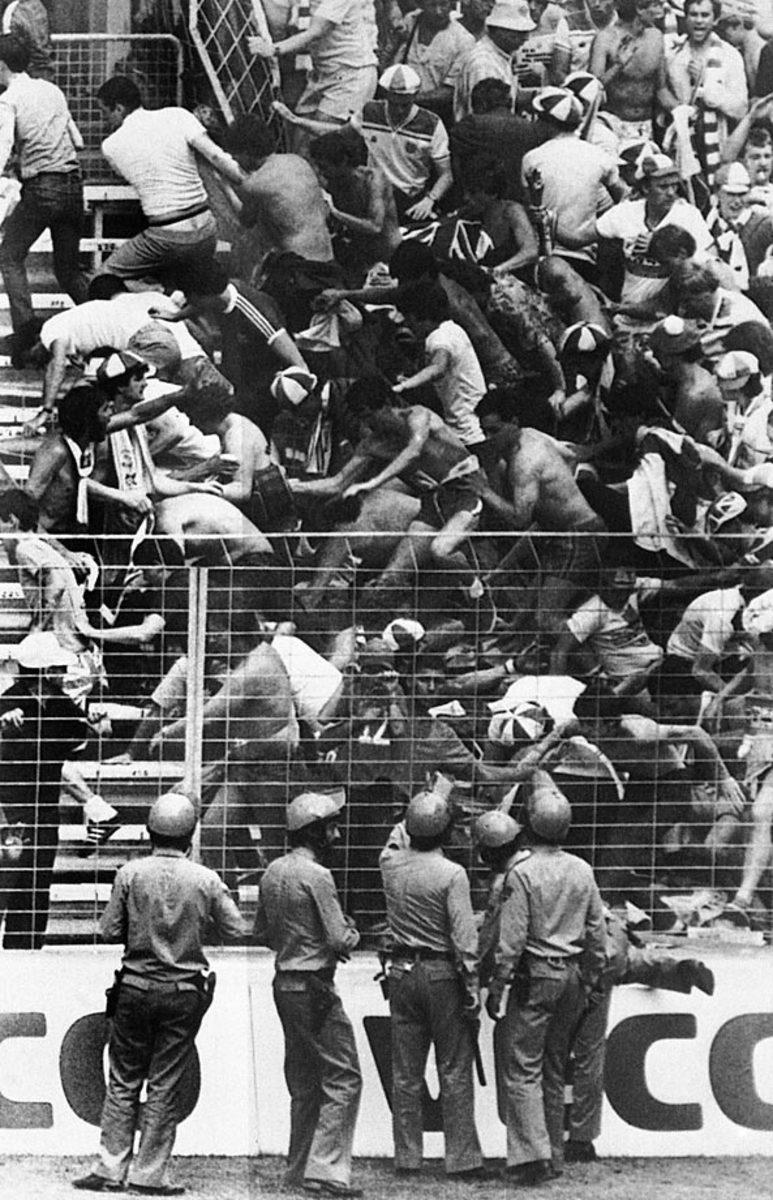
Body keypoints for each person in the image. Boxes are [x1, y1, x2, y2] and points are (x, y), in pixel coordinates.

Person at [73, 792, 248, 1194]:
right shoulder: (206, 879)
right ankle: (149, 1174)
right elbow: (238, 928)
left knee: (122, 1079)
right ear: (191, 833)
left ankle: (109, 1168)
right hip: (183, 989)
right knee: (165, 1082)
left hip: (134, 985)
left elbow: (108, 930)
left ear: (150, 832)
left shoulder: (130, 874)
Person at [484, 772, 606, 1185]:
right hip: (572, 973)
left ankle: (528, 1157)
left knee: (522, 1068)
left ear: (529, 825)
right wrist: (589, 980)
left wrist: (498, 986)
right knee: (555, 1067)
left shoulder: (522, 872)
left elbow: (512, 940)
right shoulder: (582, 870)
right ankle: (553, 1152)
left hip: (536, 975)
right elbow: (597, 933)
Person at [254, 791, 363, 1196]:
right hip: (316, 985)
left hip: (285, 982)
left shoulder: (272, 872)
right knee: (344, 1077)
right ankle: (327, 1170)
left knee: (303, 1081)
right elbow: (340, 938)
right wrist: (352, 930)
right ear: (316, 832)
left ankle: (298, 1170)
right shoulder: (318, 876)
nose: (335, 834)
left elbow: (263, 933)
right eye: (331, 827)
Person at [379, 788, 487, 1179]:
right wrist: (472, 985)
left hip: (401, 971)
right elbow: (464, 938)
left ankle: (408, 1157)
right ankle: (462, 1159)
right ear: (445, 833)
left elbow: (397, 836)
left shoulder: (389, 863)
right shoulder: (452, 874)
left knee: (405, 1071)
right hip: (442, 973)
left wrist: (426, 801)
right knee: (454, 1067)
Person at [566, 904, 715, 1163]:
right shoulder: (581, 875)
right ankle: (582, 1139)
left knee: (556, 1055)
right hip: (608, 940)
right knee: (590, 1053)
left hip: (574, 955)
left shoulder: (523, 875)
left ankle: (549, 1140)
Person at [95, 76, 245, 286]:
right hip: (206, 228)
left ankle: (153, 295)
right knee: (188, 288)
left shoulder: (111, 146)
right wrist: (245, 181)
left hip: (166, 234)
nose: (105, 120)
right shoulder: (178, 115)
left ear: (118, 108)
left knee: (102, 280)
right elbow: (216, 156)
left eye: (105, 112)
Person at [0, 33, 88, 366]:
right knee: (68, 271)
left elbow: (2, 149)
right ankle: (105, 324)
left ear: (2, 65)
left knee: (9, 255)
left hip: (42, 188)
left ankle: (26, 338)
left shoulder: (9, 99)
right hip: (73, 185)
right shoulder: (52, 90)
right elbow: (77, 141)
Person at [0, 631, 92, 949]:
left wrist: (96, 722)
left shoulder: (62, 705)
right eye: (56, 668)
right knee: (6, 882)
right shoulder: (8, 702)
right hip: (10, 810)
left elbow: (78, 743)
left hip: (44, 808)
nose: (63, 673)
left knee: (36, 885)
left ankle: (26, 948)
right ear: (42, 671)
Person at [521, 86, 625, 275]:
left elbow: (529, 207)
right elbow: (625, 197)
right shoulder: (600, 157)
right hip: (587, 255)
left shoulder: (532, 159)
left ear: (548, 123)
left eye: (539, 118)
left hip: (544, 256)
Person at [596, 152, 715, 307]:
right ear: (646, 188)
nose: (671, 193)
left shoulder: (688, 214)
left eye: (674, 185)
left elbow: (711, 263)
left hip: (673, 311)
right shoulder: (625, 212)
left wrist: (662, 248)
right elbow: (587, 236)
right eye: (663, 187)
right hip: (628, 308)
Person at [248, 0, 378, 126]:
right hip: (322, 74)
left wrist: (273, 49)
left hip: (352, 75)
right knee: (299, 138)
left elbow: (316, 32)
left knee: (320, 139)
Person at [664, 0, 748, 182]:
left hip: (718, 141)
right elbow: (664, 96)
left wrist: (706, 85)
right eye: (693, 14)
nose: (699, 21)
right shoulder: (673, 55)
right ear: (685, 18)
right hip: (682, 143)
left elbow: (741, 109)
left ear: (715, 19)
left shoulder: (729, 55)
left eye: (705, 15)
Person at [395, 279, 486, 447]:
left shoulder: (439, 338)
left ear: (416, 316)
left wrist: (405, 386)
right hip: (475, 420)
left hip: (467, 431)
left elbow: (438, 368)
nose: (407, 324)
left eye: (408, 318)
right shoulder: (453, 329)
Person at [589, 0, 669, 146]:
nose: (660, 10)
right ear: (639, 9)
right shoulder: (605, 39)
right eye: (655, 5)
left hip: (646, 128)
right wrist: (618, 65)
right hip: (612, 126)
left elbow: (662, 90)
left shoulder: (656, 37)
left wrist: (683, 111)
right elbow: (592, 91)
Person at [386, 0, 475, 120]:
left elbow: (449, 92)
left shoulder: (463, 40)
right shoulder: (410, 21)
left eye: (444, 4)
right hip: (397, 109)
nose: (438, 12)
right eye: (432, 5)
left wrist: (408, 99)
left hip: (434, 115)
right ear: (421, 5)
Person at [454, 0, 537, 120]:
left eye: (526, 32)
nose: (525, 38)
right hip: (483, 135)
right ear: (498, 30)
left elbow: (511, 97)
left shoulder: (502, 55)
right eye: (518, 33)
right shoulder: (484, 64)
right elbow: (488, 121)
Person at [1, 0, 53, 79]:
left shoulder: (14, 11)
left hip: (23, 74)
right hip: (45, 72)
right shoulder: (38, 6)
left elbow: (9, 49)